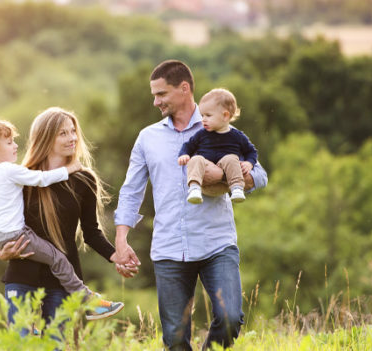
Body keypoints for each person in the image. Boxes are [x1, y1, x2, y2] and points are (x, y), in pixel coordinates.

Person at [113, 60, 268, 350]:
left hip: (216, 243)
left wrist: (222, 175)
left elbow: (260, 175)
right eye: (154, 95)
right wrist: (121, 240)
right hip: (169, 247)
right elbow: (131, 191)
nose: (156, 102)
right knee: (174, 338)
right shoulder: (148, 138)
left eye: (161, 94)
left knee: (230, 317)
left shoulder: (222, 128)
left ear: (184, 89)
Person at [0, 115, 123, 321]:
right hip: (22, 277)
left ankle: (88, 301)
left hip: (61, 283)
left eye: (73, 131)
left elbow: (91, 233)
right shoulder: (23, 176)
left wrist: (116, 256)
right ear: (46, 138)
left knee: (57, 344)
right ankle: (88, 300)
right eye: (63, 133)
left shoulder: (83, 180)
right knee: (23, 343)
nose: (73, 138)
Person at [178, 88, 258, 204]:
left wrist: (249, 163)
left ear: (225, 116)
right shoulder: (201, 134)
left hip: (225, 184)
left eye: (208, 116)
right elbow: (188, 145)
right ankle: (194, 188)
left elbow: (251, 151)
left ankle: (237, 189)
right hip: (205, 181)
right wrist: (184, 154)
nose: (203, 120)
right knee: (196, 159)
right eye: (202, 115)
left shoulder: (237, 136)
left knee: (231, 158)